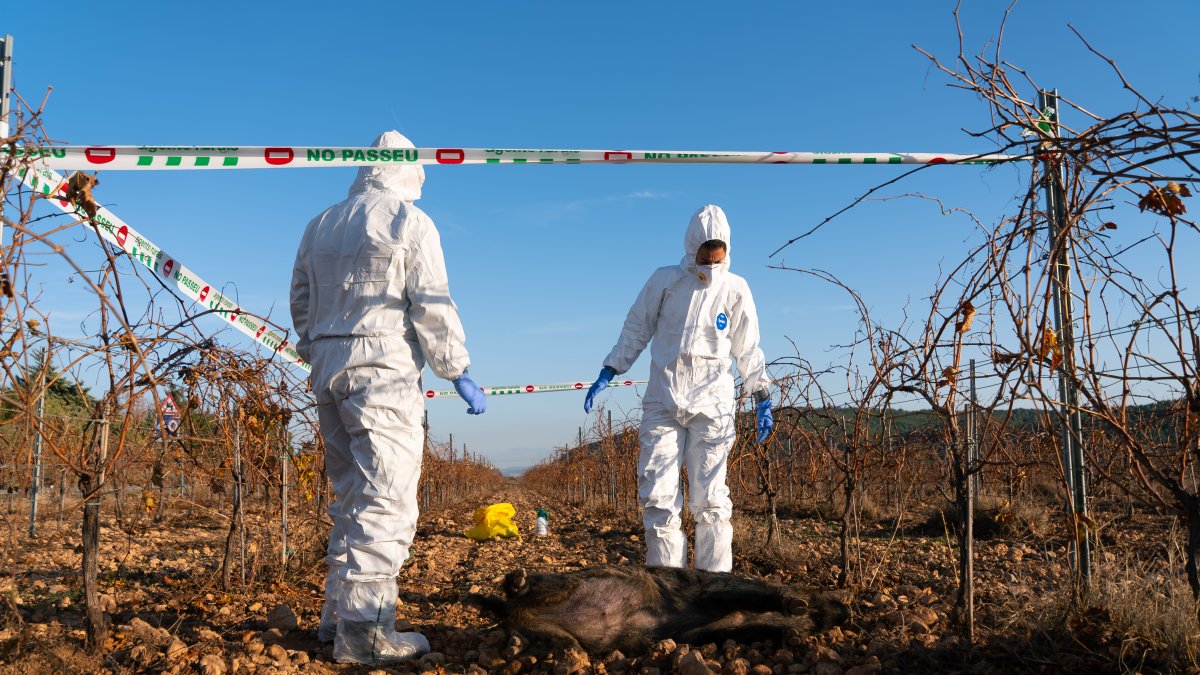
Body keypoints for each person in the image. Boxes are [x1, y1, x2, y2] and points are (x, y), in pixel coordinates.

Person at [290, 130, 487, 664]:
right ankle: (366, 633)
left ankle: (337, 618)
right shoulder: (409, 222)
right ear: (410, 171)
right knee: (387, 497)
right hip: (382, 370)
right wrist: (457, 369)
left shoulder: (322, 222)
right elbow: (432, 303)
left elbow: (301, 296)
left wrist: (316, 346)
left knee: (352, 497)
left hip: (329, 366)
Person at [584, 204, 772, 573]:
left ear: (727, 254)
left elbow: (747, 346)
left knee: (712, 500)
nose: (710, 266)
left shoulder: (736, 289)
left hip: (713, 404)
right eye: (705, 258)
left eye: (717, 260)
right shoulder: (665, 280)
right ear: (691, 248)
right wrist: (611, 368)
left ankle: (714, 588)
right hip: (663, 401)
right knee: (658, 496)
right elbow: (637, 327)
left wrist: (761, 392)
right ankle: (666, 584)